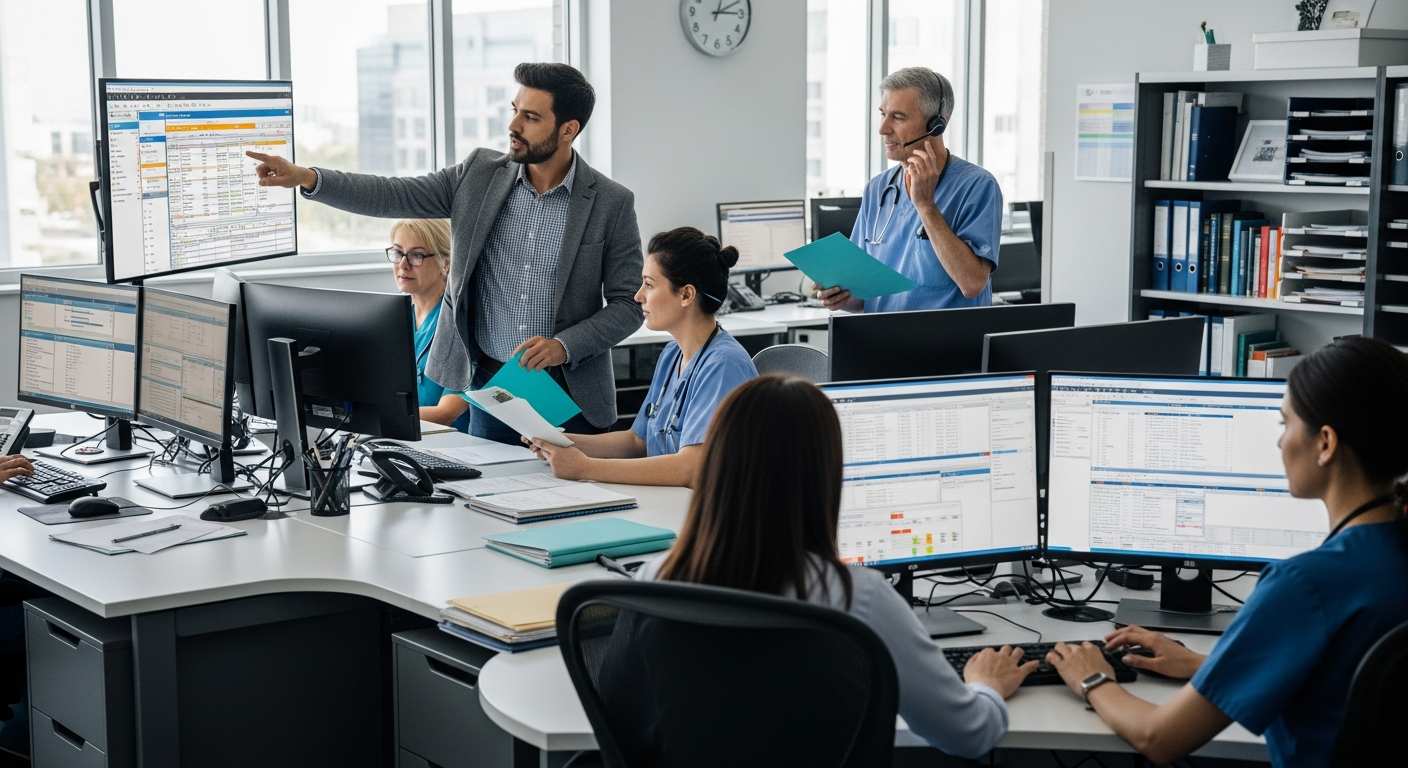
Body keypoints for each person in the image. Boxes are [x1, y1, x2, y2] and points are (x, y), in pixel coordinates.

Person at [623, 375, 1036, 757]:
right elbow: (968, 735)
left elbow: (630, 713)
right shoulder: (861, 597)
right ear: (824, 474)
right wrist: (987, 685)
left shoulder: (653, 581)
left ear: (715, 465)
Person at [1044, 336, 1408, 768]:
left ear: (1325, 443)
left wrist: (1091, 675)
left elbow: (1159, 737)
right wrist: (1205, 665)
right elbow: (1334, 679)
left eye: (1284, 425)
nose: (1278, 444)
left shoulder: (1305, 585)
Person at [248, 63, 643, 445]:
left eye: (531, 117)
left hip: (569, 395)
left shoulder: (611, 203)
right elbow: (393, 192)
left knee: (576, 508)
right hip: (493, 390)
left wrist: (564, 345)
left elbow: (628, 304)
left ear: (567, 130)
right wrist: (309, 177)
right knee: (492, 505)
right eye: (514, 111)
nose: (513, 126)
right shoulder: (478, 174)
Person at [527, 228, 757, 487]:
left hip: (703, 514)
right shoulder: (672, 354)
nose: (638, 296)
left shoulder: (724, 365)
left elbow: (692, 468)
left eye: (649, 284)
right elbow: (638, 442)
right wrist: (558, 443)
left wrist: (584, 467)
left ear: (686, 295)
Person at [816, 67, 1002, 314]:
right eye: (883, 114)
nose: (883, 129)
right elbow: (863, 296)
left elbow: (972, 284)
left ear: (937, 125)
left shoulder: (977, 186)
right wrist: (839, 297)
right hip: (883, 344)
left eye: (898, 117)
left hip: (948, 348)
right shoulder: (878, 189)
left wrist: (925, 205)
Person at [388, 218, 471, 432]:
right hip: (405, 437)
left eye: (416, 255)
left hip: (454, 447)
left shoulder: (461, 322)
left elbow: (445, 414)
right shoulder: (393, 318)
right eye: (398, 253)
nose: (403, 265)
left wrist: (379, 418)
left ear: (446, 263)